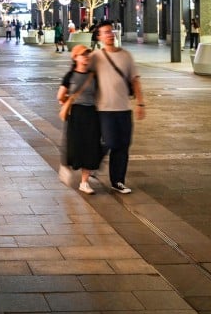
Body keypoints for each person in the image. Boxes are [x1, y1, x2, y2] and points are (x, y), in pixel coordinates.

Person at [91, 20, 145, 194]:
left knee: (123, 145)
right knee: (110, 142)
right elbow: (80, 71)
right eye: (105, 32)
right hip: (104, 109)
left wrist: (140, 103)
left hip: (123, 108)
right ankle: (92, 164)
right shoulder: (95, 57)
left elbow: (134, 80)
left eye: (110, 31)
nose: (109, 34)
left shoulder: (126, 55)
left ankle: (118, 181)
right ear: (99, 36)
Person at [57, 44, 105, 194]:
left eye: (87, 54)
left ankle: (84, 182)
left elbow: (98, 95)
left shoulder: (93, 75)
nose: (86, 57)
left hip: (91, 113)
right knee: (74, 145)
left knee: (91, 146)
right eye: (82, 54)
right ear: (75, 57)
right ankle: (66, 166)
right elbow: (60, 96)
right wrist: (69, 100)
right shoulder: (70, 76)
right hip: (76, 114)